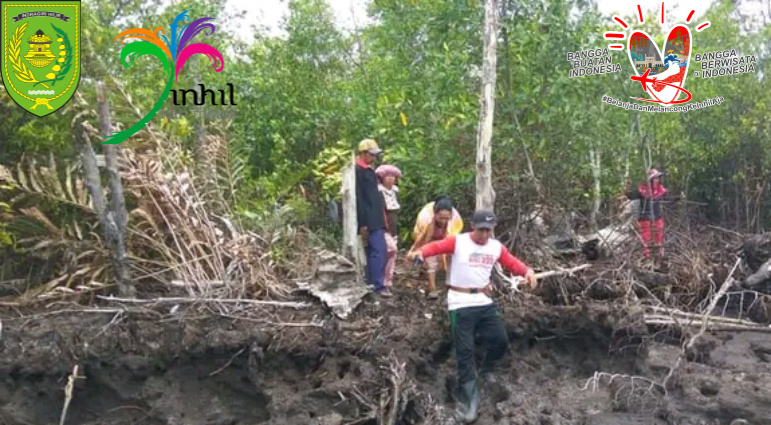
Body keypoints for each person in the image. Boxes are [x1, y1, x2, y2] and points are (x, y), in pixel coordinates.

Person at [407, 210, 537, 423]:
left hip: (483, 301)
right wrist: (421, 253)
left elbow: (511, 262)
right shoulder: (459, 242)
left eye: (488, 230)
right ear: (473, 227)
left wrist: (527, 271)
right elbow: (435, 247)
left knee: (500, 340)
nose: (485, 234)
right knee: (464, 351)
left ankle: (484, 371)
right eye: (481, 230)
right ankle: (470, 399)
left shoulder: (495, 247)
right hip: (460, 301)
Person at [409, 196, 464, 299]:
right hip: (428, 238)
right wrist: (419, 251)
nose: (443, 221)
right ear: (435, 214)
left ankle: (450, 284)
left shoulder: (456, 219)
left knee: (452, 257)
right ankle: (432, 288)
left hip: (446, 239)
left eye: (446, 218)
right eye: (441, 218)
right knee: (431, 261)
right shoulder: (425, 217)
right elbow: (420, 238)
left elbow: (451, 240)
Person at [356, 139, 391, 297]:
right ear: (363, 153)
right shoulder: (358, 171)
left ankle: (373, 283)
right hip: (370, 220)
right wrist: (363, 223)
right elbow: (360, 199)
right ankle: (377, 285)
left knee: (377, 251)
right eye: (371, 155)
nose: (374, 158)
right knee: (378, 251)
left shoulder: (369, 171)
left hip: (376, 218)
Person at [626, 168, 668, 260]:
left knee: (659, 234)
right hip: (645, 216)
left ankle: (660, 254)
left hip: (657, 216)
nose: (657, 180)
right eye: (655, 178)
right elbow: (630, 196)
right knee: (645, 236)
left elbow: (667, 197)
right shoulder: (642, 189)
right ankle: (646, 255)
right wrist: (627, 187)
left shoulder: (660, 189)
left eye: (658, 178)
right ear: (650, 180)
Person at [376, 164, 402, 290]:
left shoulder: (395, 191)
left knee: (391, 256)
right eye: (388, 176)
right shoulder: (379, 191)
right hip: (383, 228)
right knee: (391, 250)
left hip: (393, 228)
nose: (390, 179)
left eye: (393, 176)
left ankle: (388, 281)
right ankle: (384, 281)